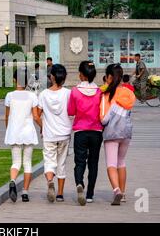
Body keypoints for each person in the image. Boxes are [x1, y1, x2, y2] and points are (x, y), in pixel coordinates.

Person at [68, 61, 103, 205]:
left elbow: (70, 111)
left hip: (80, 131)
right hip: (96, 131)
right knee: (93, 163)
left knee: (80, 161)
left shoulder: (75, 91)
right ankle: (90, 194)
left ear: (81, 74)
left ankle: (79, 183)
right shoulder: (100, 92)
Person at [101, 63, 136, 205]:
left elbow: (103, 119)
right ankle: (123, 192)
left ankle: (117, 191)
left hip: (111, 133)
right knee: (121, 162)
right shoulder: (129, 93)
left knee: (111, 163)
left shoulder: (106, 95)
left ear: (109, 77)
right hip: (126, 132)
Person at [5, 68, 42, 203]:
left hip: (14, 132)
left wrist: (8, 129)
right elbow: (36, 116)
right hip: (28, 132)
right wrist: (42, 127)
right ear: (27, 81)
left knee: (15, 162)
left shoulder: (9, 95)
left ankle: (13, 180)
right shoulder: (32, 96)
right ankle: (25, 192)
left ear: (14, 79)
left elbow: (7, 116)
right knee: (27, 163)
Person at [38, 64, 72, 203]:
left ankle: (50, 182)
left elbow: (37, 114)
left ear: (51, 77)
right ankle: (60, 194)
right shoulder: (68, 93)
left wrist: (42, 126)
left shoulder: (44, 94)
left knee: (49, 162)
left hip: (49, 134)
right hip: (64, 133)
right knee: (61, 163)